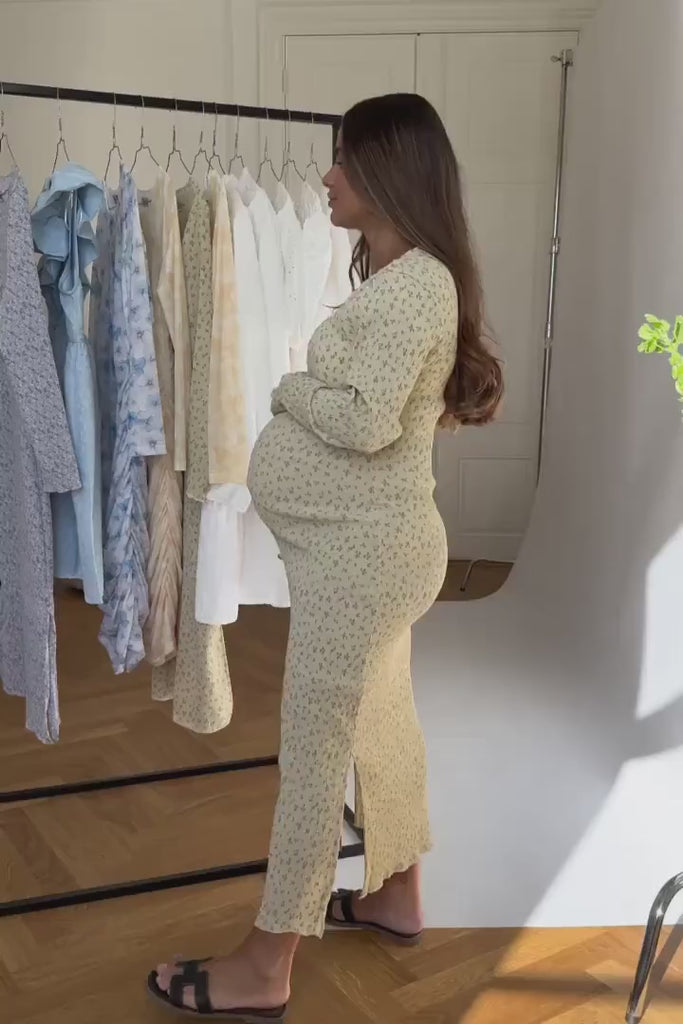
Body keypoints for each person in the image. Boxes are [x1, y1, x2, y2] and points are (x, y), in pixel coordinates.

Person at [147, 92, 503, 1021]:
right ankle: (396, 895)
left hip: (365, 560)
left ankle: (266, 963)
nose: (327, 175)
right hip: (359, 554)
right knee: (380, 726)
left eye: (344, 160)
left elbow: (365, 420)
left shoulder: (418, 283)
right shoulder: (400, 278)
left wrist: (288, 388)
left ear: (390, 172)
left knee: (312, 757)